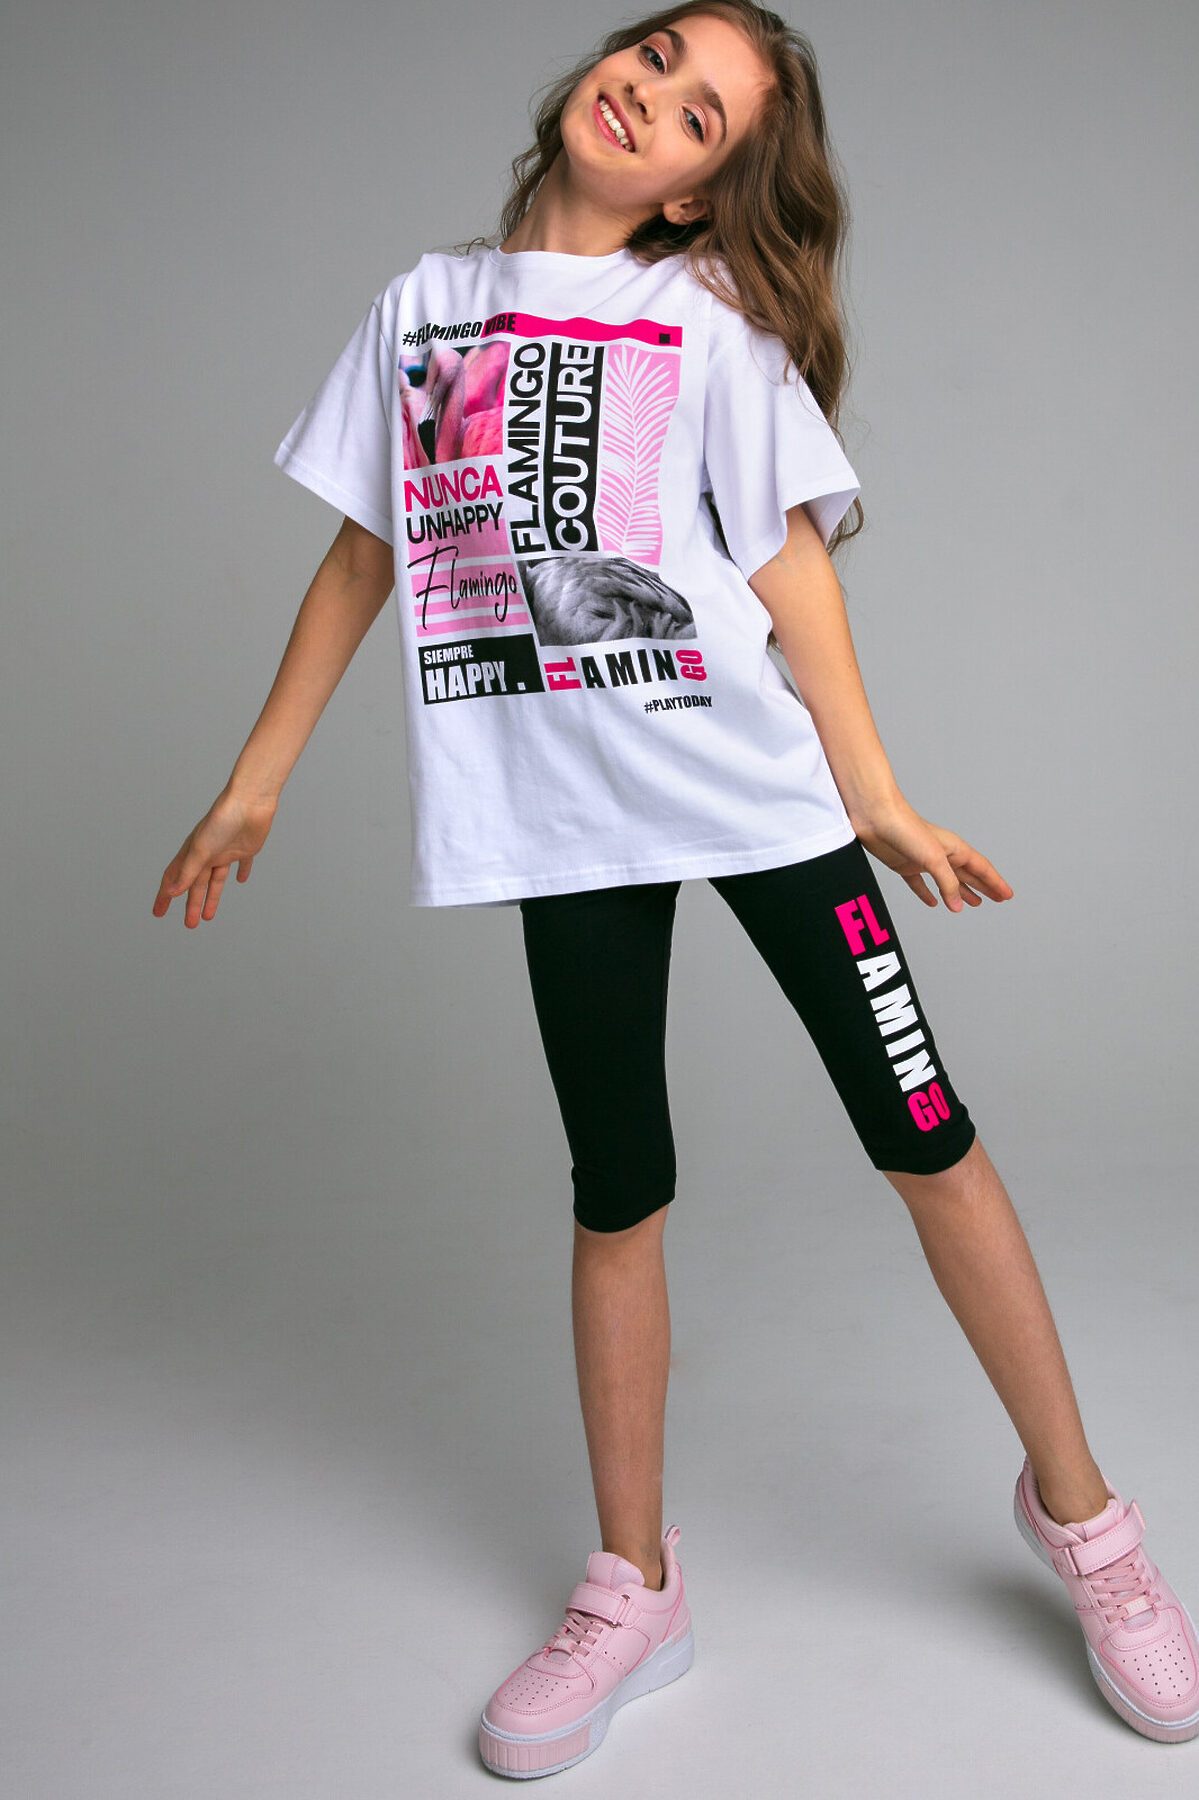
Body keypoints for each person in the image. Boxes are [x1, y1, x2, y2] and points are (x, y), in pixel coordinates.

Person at [153, 1, 1199, 1776]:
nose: (650, 97)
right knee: (617, 1187)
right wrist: (258, 779)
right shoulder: (430, 310)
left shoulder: (705, 321)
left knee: (925, 1135)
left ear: (705, 193)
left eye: (700, 113)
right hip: (563, 819)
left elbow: (788, 568)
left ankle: (1089, 1525)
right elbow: (366, 551)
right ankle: (634, 1585)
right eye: (652, 58)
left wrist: (875, 796)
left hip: (751, 792)